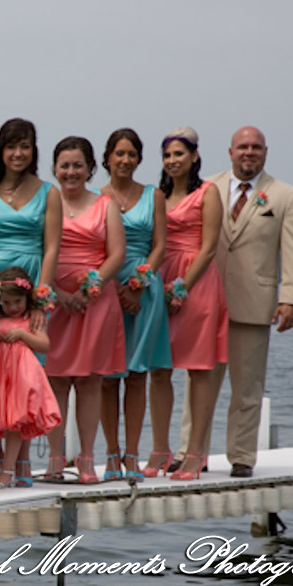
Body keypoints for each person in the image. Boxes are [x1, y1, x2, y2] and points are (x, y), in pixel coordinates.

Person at [176, 126, 293, 478]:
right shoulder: (206, 187)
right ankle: (192, 452)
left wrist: (291, 299)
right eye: (242, 147)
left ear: (265, 152)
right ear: (230, 151)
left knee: (247, 387)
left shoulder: (285, 195)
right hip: (205, 300)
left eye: (255, 147)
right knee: (198, 379)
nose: (248, 152)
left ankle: (241, 456)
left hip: (254, 302)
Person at [0, 119, 61, 478]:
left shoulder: (48, 192)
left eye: (25, 146)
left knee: (23, 376)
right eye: (11, 146)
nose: (18, 153)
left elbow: (51, 247)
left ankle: (18, 459)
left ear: (33, 150)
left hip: (30, 289)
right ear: (0, 150)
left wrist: (40, 299)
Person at [44, 137, 126, 484]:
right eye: (64, 165)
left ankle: (88, 458)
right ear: (54, 169)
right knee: (56, 381)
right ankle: (55, 458)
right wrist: (60, 293)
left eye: (78, 165)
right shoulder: (48, 202)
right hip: (55, 301)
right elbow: (41, 248)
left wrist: (87, 289)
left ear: (90, 168)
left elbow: (117, 253)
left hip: (95, 302)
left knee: (91, 382)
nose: (71, 171)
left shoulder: (105, 204)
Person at [148, 128, 227, 481]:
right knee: (159, 368)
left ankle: (195, 453)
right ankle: (160, 451)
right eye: (167, 155)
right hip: (160, 277)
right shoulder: (158, 196)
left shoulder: (207, 193)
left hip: (196, 280)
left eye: (179, 154)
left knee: (198, 369)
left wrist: (182, 287)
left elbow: (210, 246)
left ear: (194, 156)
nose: (172, 161)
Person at [97, 129, 172, 482]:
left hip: (145, 290)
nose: (125, 160)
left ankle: (132, 454)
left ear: (139, 159)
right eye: (119, 153)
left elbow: (160, 246)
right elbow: (96, 248)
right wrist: (114, 285)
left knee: (138, 375)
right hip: (108, 288)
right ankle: (110, 454)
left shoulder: (154, 195)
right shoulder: (97, 197)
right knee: (108, 378)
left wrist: (140, 283)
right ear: (107, 158)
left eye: (131, 154)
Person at [0, 268, 61, 488]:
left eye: (18, 301)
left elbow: (45, 345)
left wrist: (24, 335)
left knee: (16, 422)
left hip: (20, 378)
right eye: (7, 303)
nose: (13, 307)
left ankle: (8, 468)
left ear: (28, 299)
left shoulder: (31, 321)